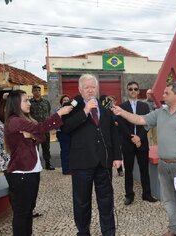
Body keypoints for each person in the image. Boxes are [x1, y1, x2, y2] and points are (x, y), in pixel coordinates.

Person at [112, 82, 176, 236]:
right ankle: (175, 229)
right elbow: (139, 120)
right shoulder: (161, 112)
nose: (162, 95)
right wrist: (121, 112)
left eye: (166, 93)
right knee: (169, 200)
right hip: (164, 165)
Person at [4, 90, 72, 236]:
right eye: (25, 100)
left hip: (31, 171)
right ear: (15, 103)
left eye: (29, 100)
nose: (29, 103)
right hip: (22, 173)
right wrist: (59, 113)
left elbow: (41, 136)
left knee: (28, 211)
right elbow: (41, 128)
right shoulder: (15, 121)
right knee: (22, 213)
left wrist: (32, 135)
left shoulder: (25, 119)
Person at [61, 74, 122, 235]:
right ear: (80, 89)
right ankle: (83, 232)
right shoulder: (72, 107)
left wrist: (117, 156)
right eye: (86, 87)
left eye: (93, 87)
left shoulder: (104, 107)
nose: (90, 90)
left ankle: (108, 232)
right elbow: (66, 128)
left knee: (106, 201)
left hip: (103, 162)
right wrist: (85, 111)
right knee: (82, 202)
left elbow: (112, 133)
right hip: (81, 164)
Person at [117, 81, 157, 205]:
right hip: (128, 142)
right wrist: (132, 137)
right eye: (130, 89)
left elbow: (147, 123)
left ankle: (147, 194)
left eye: (135, 89)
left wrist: (139, 137)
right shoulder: (122, 107)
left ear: (139, 91)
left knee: (144, 169)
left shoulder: (144, 106)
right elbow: (121, 125)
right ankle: (129, 195)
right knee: (128, 170)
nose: (133, 91)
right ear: (127, 91)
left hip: (142, 142)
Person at [30, 85, 54, 170]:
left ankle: (48, 164)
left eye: (39, 90)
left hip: (45, 128)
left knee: (46, 147)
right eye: (35, 90)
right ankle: (35, 165)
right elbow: (27, 115)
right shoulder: (29, 103)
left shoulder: (46, 102)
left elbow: (48, 113)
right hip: (34, 130)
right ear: (32, 92)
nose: (37, 92)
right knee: (35, 148)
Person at [100, 95, 124, 177]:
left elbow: (121, 120)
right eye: (109, 101)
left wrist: (117, 123)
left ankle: (120, 170)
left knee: (117, 151)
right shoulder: (102, 111)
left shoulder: (116, 110)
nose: (110, 102)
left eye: (112, 101)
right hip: (108, 137)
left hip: (117, 135)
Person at [56, 94, 72, 175]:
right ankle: (65, 169)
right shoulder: (59, 111)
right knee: (65, 151)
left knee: (71, 151)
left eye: (67, 100)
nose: (66, 101)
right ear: (61, 102)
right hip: (62, 133)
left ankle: (71, 167)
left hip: (70, 133)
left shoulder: (72, 111)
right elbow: (56, 123)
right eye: (64, 100)